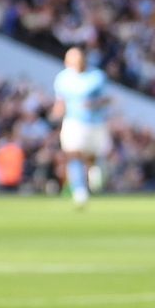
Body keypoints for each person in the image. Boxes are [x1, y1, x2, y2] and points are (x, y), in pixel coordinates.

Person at [51, 46, 112, 209]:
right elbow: (60, 102)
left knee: (91, 156)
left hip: (94, 123)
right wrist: (54, 116)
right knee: (73, 154)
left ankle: (94, 171)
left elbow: (107, 99)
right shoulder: (62, 79)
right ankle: (79, 191)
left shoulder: (96, 76)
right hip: (73, 122)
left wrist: (93, 104)